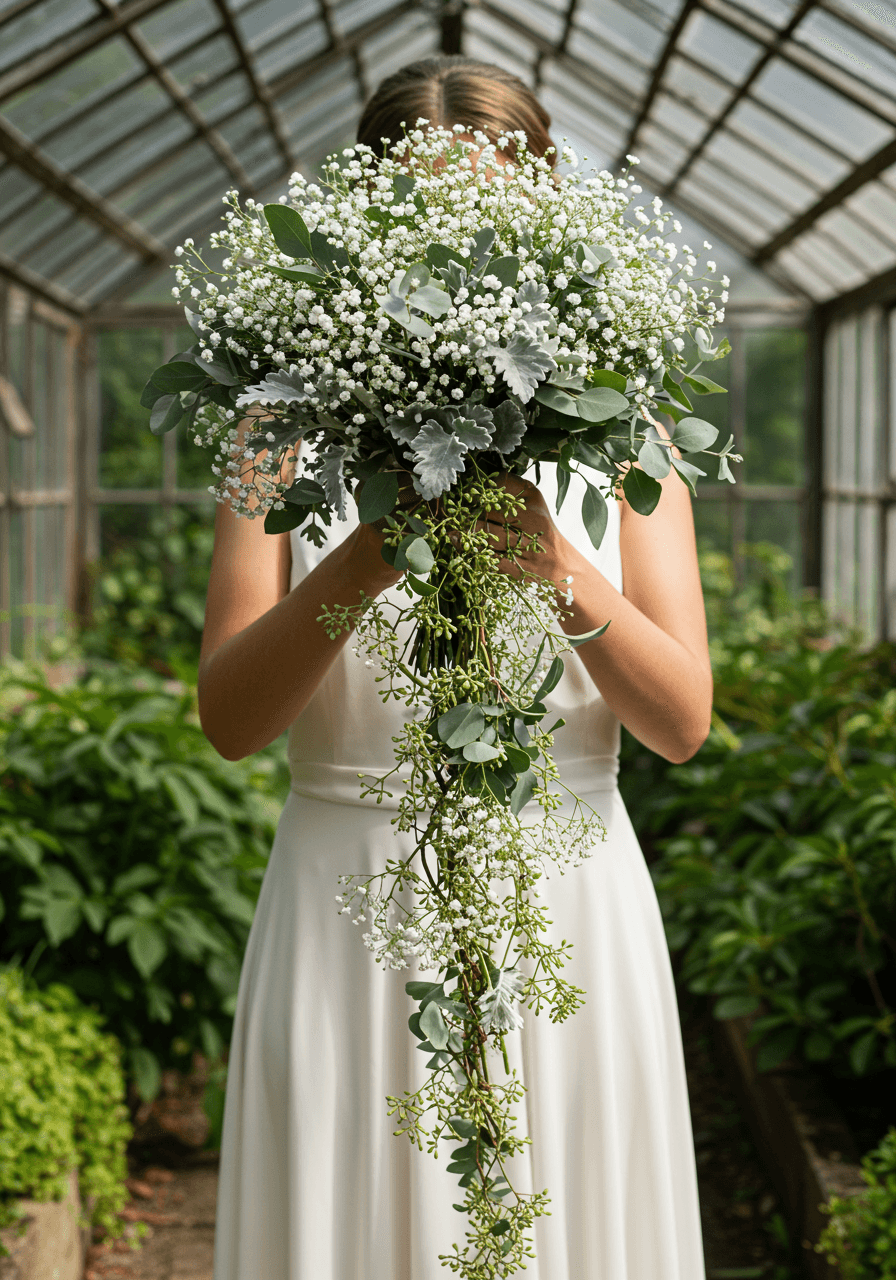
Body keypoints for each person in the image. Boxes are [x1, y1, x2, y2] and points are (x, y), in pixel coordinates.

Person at [204, 54, 712, 1280]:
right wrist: (369, 551)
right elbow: (228, 717)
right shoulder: (273, 435)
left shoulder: (626, 438)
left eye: (490, 210)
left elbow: (683, 719)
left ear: (545, 214)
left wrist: (555, 567)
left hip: (570, 903)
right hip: (347, 905)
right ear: (365, 220)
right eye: (424, 209)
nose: (460, 241)